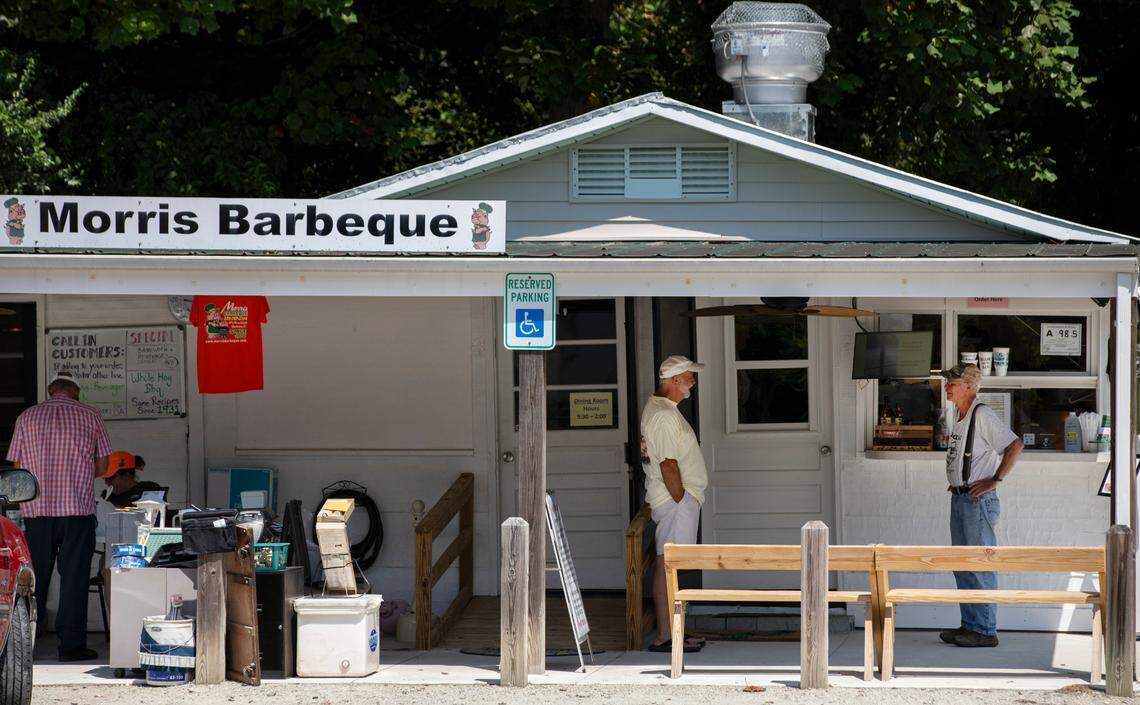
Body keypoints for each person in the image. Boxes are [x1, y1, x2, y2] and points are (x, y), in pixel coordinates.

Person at [6, 371, 111, 661]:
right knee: (75, 578)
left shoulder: (27, 417)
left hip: (37, 512)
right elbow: (103, 467)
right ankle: (72, 646)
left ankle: (26, 645)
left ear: (51, 389)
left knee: (31, 579)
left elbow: (17, 467)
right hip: (77, 511)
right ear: (76, 391)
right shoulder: (91, 416)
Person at [939, 363, 1024, 648]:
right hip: (962, 498)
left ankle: (985, 630)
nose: (947, 386)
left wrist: (995, 479)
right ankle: (970, 624)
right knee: (963, 565)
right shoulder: (961, 416)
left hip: (977, 502)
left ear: (969, 387)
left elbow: (1015, 445)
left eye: (953, 382)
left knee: (979, 564)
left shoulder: (982, 413)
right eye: (948, 382)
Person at [640, 355, 709, 653]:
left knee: (669, 563)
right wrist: (683, 498)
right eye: (689, 376)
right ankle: (666, 636)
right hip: (674, 500)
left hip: (673, 499)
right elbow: (668, 464)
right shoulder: (664, 415)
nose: (693, 380)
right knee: (669, 563)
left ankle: (673, 629)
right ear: (674, 381)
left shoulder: (661, 408)